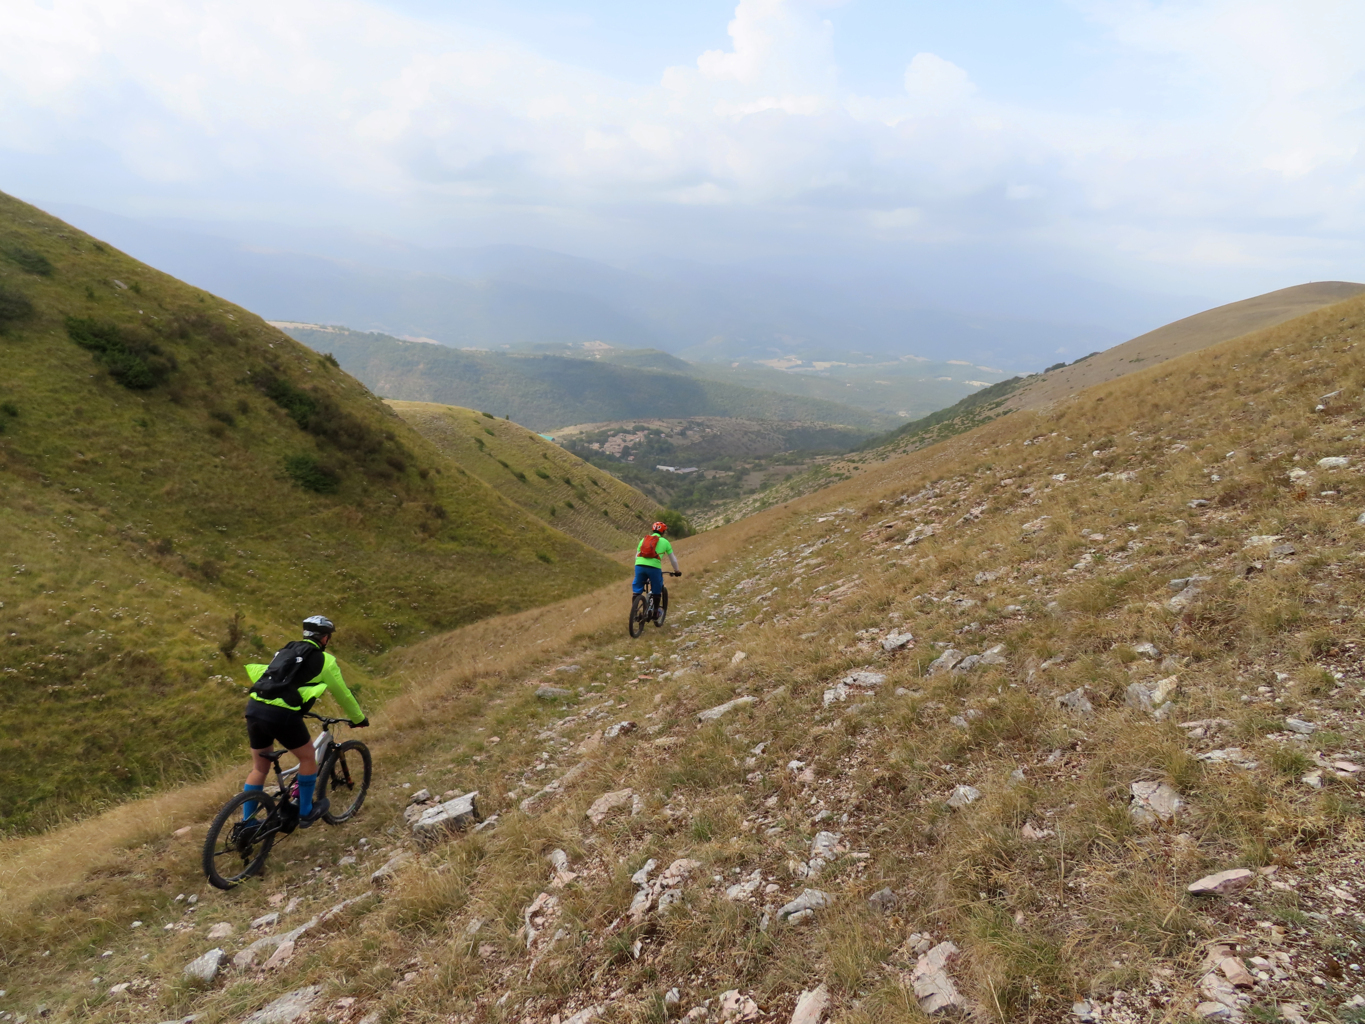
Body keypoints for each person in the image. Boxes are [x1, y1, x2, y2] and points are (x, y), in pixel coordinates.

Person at [241, 615, 368, 827]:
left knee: (260, 768)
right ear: (325, 638)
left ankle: (248, 823)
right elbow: (343, 694)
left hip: (255, 708)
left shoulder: (286, 651)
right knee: (308, 758)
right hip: (281, 714)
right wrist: (358, 718)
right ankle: (306, 811)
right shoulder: (326, 661)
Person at [633, 521, 681, 623]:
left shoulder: (643, 540)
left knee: (637, 590)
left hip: (639, 566)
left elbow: (636, 556)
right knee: (656, 589)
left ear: (652, 530)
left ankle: (635, 613)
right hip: (654, 568)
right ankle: (655, 612)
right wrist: (677, 570)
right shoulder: (665, 542)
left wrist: (639, 567)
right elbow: (673, 559)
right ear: (663, 532)